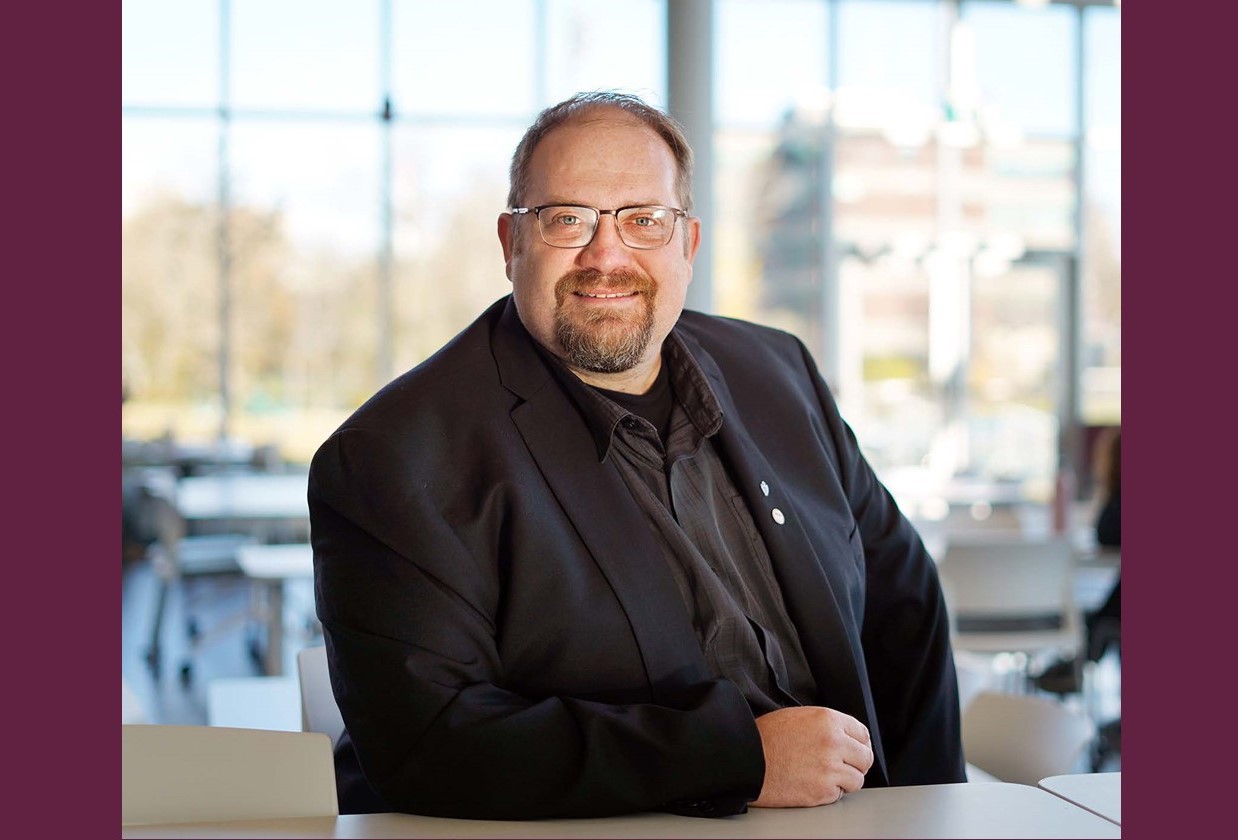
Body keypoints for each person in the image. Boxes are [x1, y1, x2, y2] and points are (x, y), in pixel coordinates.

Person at [308, 91, 965, 821]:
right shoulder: (394, 455)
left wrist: (924, 809)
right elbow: (429, 742)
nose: (607, 255)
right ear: (510, 243)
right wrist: (737, 759)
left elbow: (907, 603)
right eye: (568, 219)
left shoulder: (779, 373)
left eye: (644, 220)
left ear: (687, 243)